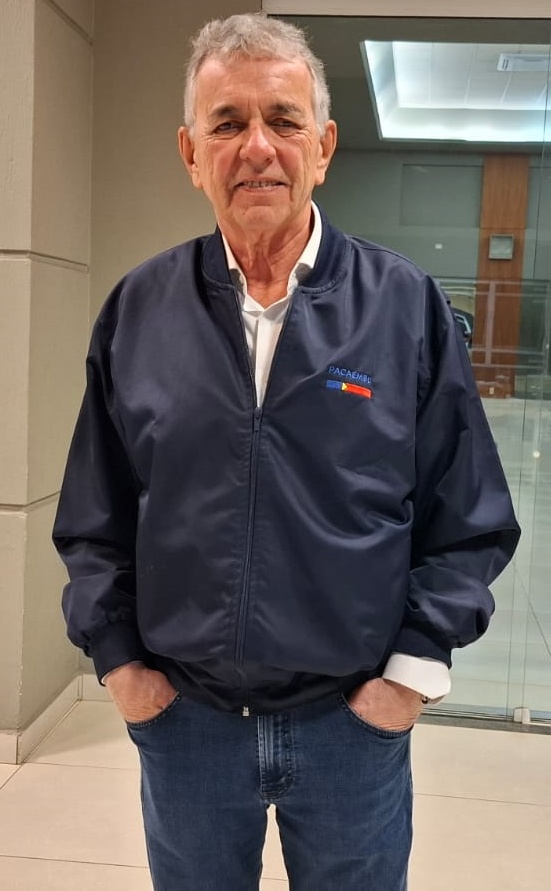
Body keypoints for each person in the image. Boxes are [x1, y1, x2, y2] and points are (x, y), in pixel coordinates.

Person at [53, 13, 520, 891]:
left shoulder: (403, 306)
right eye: (227, 123)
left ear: (323, 146)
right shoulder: (139, 310)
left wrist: (406, 680)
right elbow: (93, 512)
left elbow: (468, 516)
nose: (257, 147)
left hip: (350, 726)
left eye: (283, 119)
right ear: (191, 154)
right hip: (187, 724)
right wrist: (121, 666)